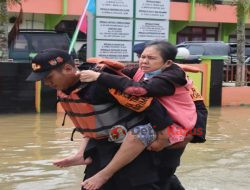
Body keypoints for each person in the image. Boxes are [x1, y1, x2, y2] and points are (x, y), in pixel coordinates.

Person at [26, 49, 189, 190]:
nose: (46, 83)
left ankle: (106, 173)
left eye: (48, 77)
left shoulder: (102, 83)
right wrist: (82, 152)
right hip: (102, 146)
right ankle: (85, 159)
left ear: (68, 69)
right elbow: (91, 122)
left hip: (136, 147)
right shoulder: (67, 88)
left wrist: (162, 137)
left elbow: (151, 106)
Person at [78, 40, 206, 189]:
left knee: (162, 176)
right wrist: (105, 68)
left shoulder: (174, 77)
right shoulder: (143, 72)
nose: (143, 61)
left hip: (174, 130)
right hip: (151, 128)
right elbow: (124, 74)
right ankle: (81, 154)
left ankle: (104, 173)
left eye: (151, 58)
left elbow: (199, 108)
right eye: (141, 56)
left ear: (167, 62)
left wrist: (192, 135)